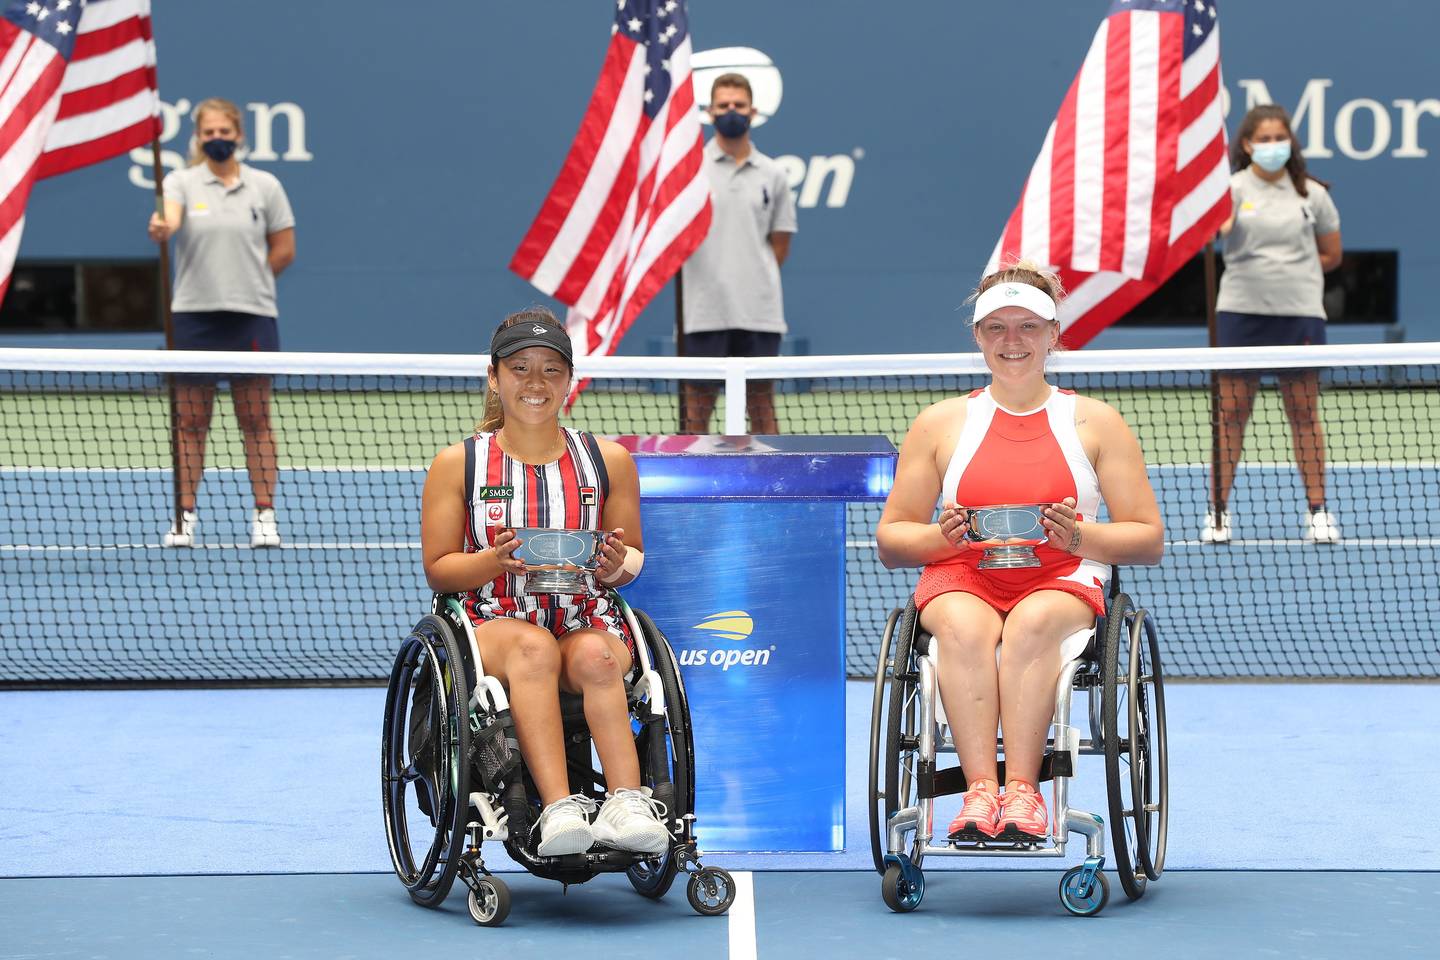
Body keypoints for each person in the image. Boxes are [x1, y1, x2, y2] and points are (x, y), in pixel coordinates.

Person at [875, 262, 1163, 842]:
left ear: (1053, 334)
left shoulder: (1096, 422)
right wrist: (942, 539)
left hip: (1061, 578)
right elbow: (893, 538)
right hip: (963, 577)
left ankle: (1025, 794)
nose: (1013, 342)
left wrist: (1078, 537)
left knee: (1033, 626)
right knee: (957, 628)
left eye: (1028, 327)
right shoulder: (939, 424)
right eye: (997, 328)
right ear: (978, 337)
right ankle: (981, 793)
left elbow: (1148, 537)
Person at [419, 306, 669, 857]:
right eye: (520, 368)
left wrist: (614, 564)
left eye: (551, 370)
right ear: (494, 377)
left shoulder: (609, 461)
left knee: (597, 661)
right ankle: (559, 810)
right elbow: (439, 566)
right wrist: (492, 562)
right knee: (533, 651)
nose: (536, 383)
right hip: (493, 622)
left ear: (570, 381)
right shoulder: (456, 464)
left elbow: (634, 562)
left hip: (585, 618)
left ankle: (628, 802)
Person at [147, 97, 296, 548]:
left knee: (256, 419)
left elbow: (284, 248)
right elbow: (170, 218)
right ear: (198, 137)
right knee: (190, 421)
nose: (216, 139)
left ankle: (264, 517)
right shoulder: (180, 182)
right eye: (208, 132)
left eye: (224, 132)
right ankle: (184, 517)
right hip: (192, 318)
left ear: (239, 136)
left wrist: (248, 283)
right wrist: (162, 227)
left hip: (251, 318)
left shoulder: (265, 185)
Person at [1205, 104, 1343, 545]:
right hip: (1241, 315)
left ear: (1290, 143)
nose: (1271, 146)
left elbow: (1331, 254)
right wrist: (1217, 224)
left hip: (1299, 315)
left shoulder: (1312, 194)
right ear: (1247, 145)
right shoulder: (1229, 189)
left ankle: (1318, 512)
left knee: (1304, 414)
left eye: (1278, 138)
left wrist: (1291, 275)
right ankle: (1219, 514)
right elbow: (1213, 234)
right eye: (1262, 139)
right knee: (1230, 416)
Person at [679, 72, 798, 435]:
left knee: (762, 406)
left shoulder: (773, 174)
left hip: (758, 314)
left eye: (739, 105)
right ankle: (690, 490)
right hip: (702, 312)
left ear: (753, 111)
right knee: (696, 411)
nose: (732, 111)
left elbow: (779, 245)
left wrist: (748, 276)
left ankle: (774, 488)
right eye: (724, 105)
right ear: (710, 112)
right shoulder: (687, 172)